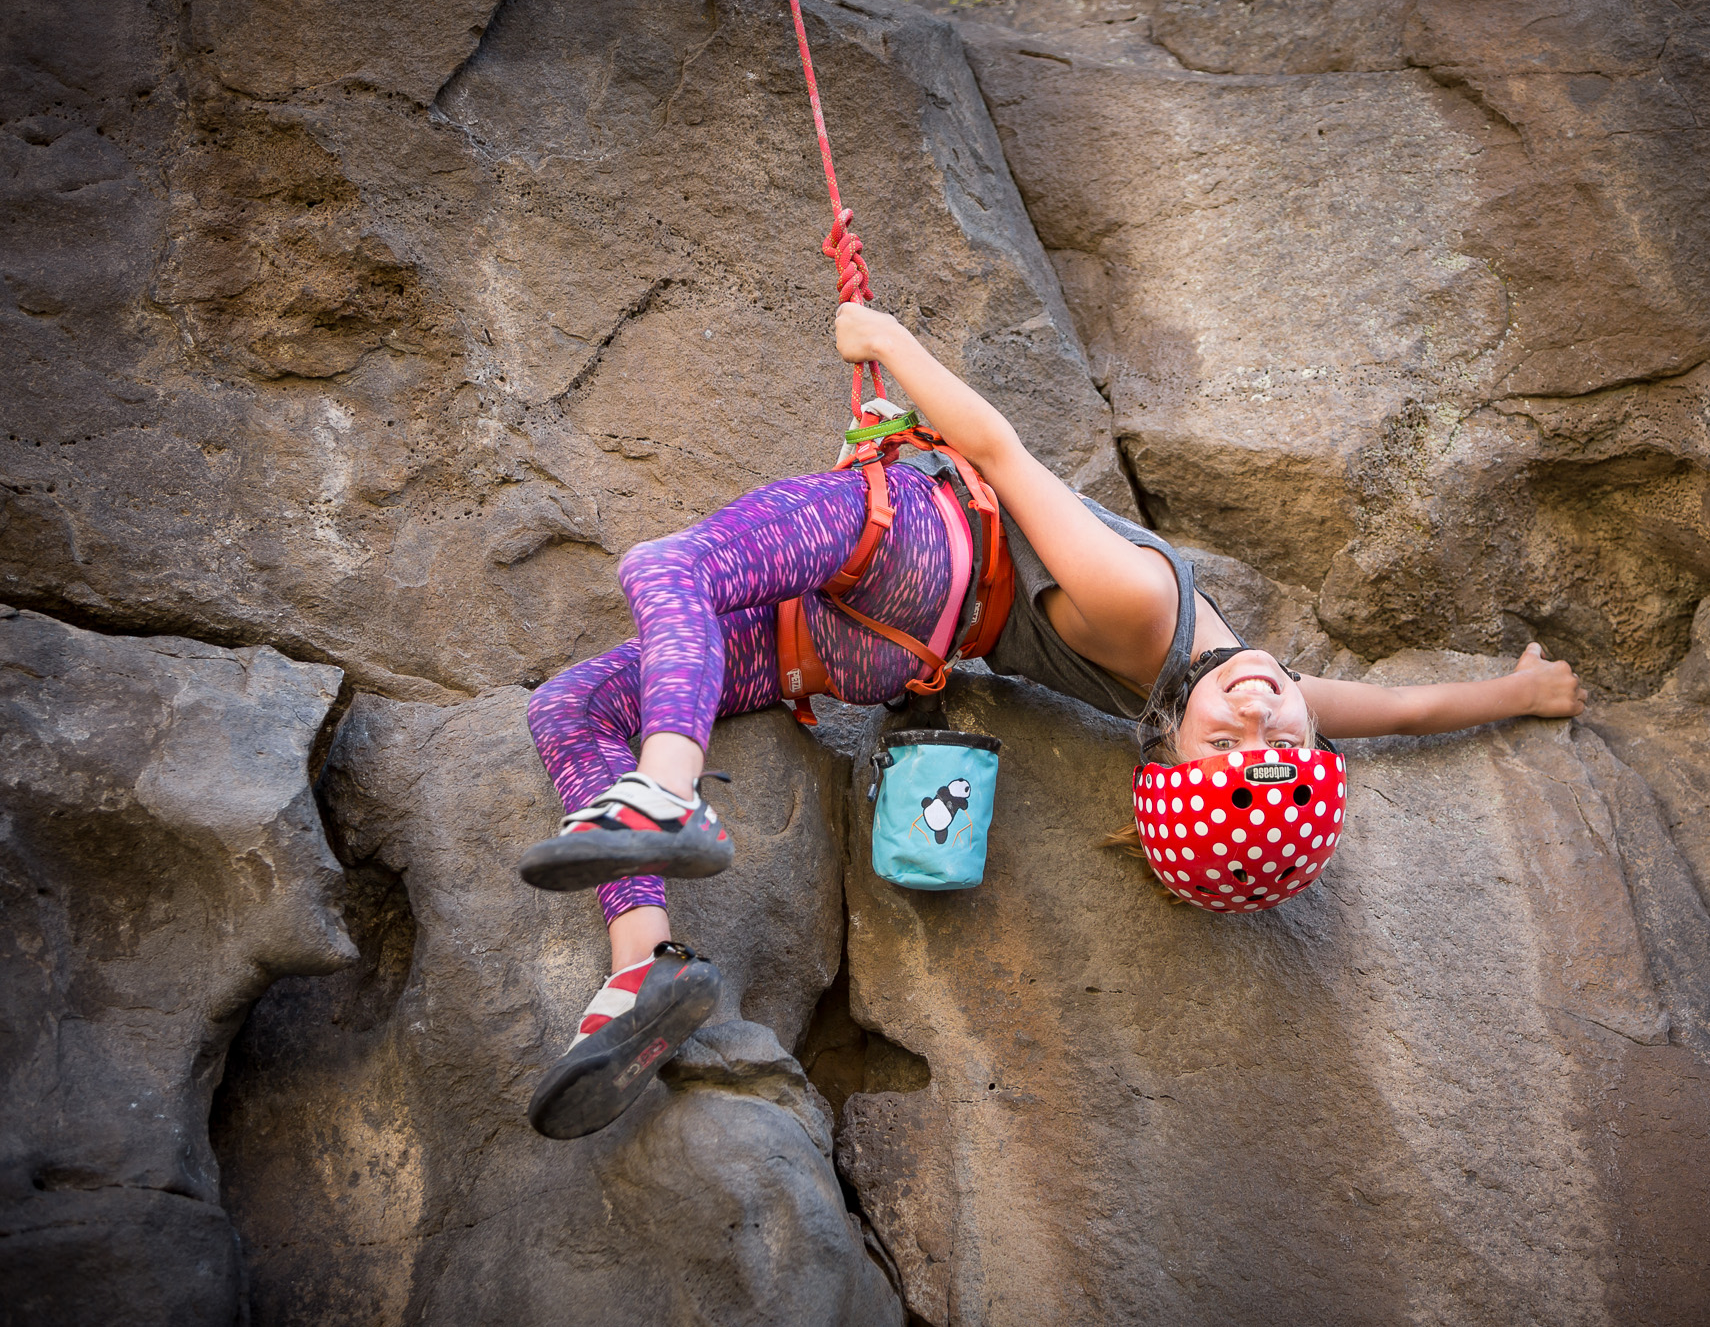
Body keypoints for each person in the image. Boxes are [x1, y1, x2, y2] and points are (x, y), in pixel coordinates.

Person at [516, 301, 1588, 1138]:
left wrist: (883, 338)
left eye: (1231, 744)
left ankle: (663, 788)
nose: (1262, 714)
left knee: (667, 567)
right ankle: (644, 964)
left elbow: (1000, 452)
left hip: (912, 543)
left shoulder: (1145, 610)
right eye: (1282, 740)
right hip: (875, 648)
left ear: (1166, 750)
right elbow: (1396, 709)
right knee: (569, 705)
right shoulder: (1241, 694)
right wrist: (1519, 693)